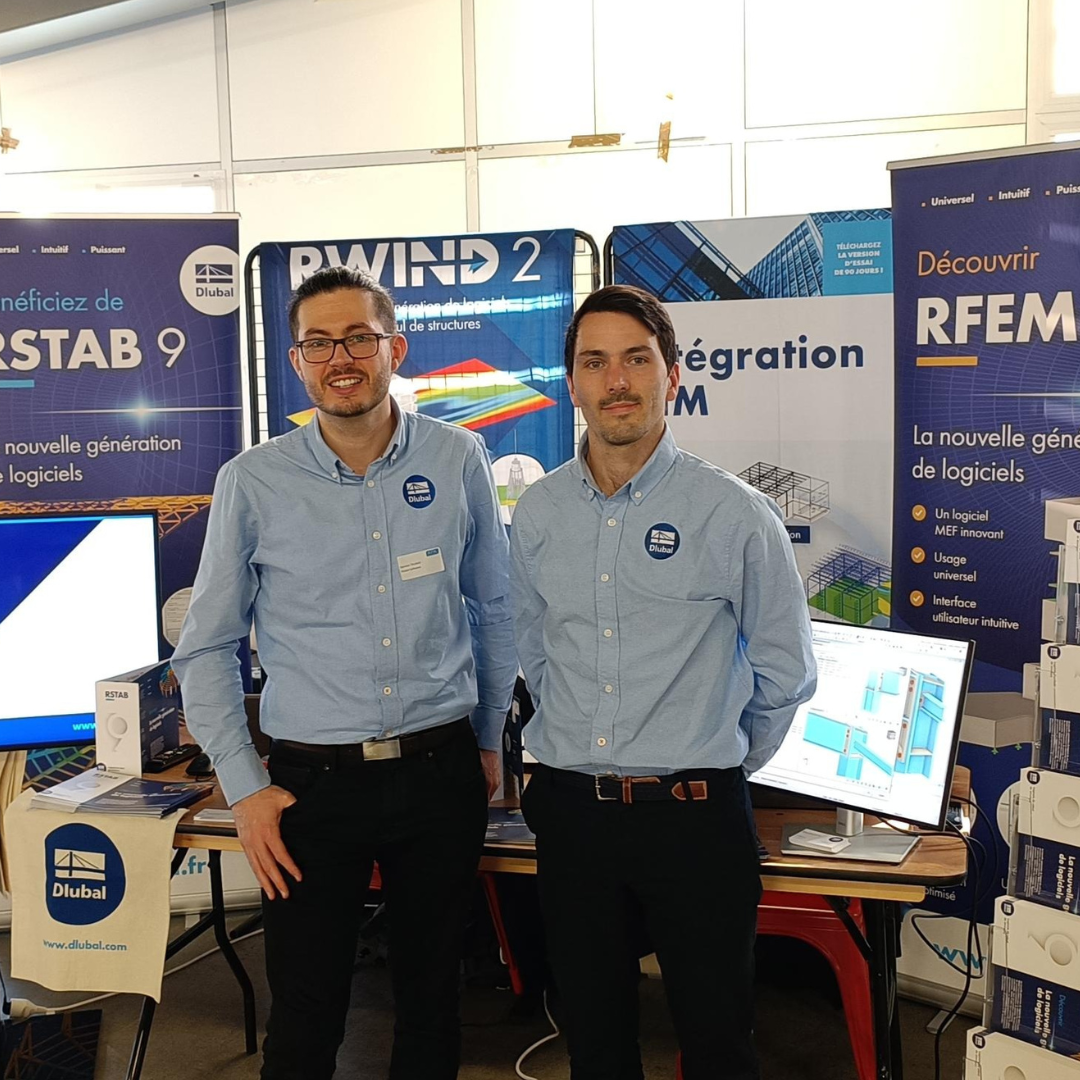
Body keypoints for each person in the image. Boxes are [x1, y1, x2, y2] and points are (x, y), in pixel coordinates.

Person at [172, 265, 517, 1080]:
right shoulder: (253, 481)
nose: (341, 359)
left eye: (359, 338)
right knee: (305, 1019)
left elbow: (495, 608)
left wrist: (488, 737)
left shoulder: (459, 457)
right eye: (320, 344)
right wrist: (245, 787)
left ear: (395, 348)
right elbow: (207, 645)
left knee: (433, 1006)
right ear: (297, 362)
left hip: (440, 772)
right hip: (310, 790)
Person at [509, 284, 817, 1080]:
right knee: (596, 1048)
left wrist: (715, 760)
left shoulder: (736, 513)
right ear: (571, 384)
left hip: (696, 822)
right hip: (573, 819)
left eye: (636, 360)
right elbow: (535, 652)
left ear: (672, 375)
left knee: (718, 1048)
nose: (616, 381)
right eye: (594, 362)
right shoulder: (537, 514)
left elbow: (786, 670)